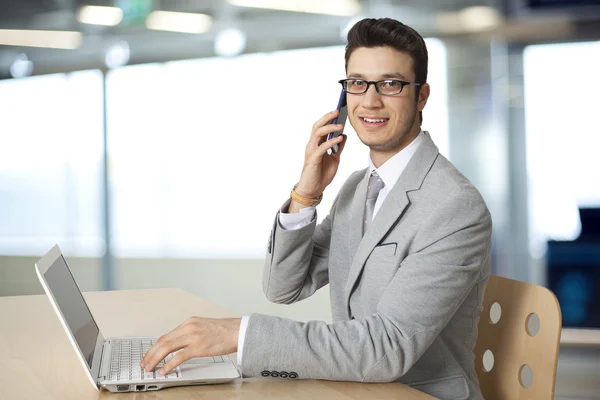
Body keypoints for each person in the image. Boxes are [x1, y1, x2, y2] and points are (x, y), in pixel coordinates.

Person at [141, 17, 492, 400]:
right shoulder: (359, 188)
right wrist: (306, 193)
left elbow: (385, 348)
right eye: (357, 83)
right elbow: (283, 287)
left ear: (421, 96)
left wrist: (237, 335)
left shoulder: (454, 207)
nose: (370, 101)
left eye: (390, 84)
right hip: (354, 387)